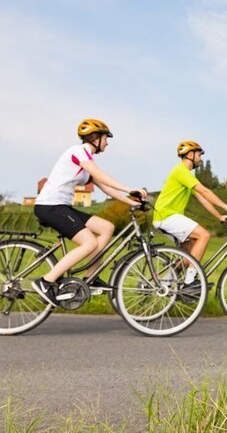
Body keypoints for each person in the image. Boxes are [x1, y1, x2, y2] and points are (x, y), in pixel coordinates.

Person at [31, 119, 148, 307]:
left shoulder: (87, 161)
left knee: (106, 227)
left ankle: (90, 277)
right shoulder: (78, 152)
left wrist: (131, 202)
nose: (107, 142)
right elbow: (102, 176)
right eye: (105, 138)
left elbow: (105, 188)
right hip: (50, 206)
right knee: (89, 242)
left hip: (62, 206)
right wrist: (129, 188)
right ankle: (45, 282)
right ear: (95, 138)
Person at [152, 141, 227, 285]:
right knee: (204, 235)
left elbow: (203, 199)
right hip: (166, 216)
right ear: (190, 154)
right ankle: (190, 281)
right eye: (199, 154)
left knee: (190, 255)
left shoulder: (185, 175)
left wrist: (219, 216)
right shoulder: (181, 172)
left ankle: (164, 284)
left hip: (165, 217)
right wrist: (226, 206)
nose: (201, 158)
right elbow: (205, 191)